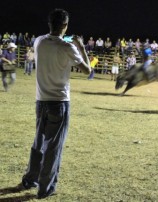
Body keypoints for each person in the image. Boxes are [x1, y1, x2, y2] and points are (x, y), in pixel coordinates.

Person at [21, 9, 91, 199]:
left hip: (41, 100)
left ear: (49, 23)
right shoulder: (68, 47)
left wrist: (68, 40)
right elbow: (87, 70)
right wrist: (81, 46)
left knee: (39, 142)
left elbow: (54, 41)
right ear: (66, 25)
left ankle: (30, 179)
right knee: (53, 146)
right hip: (59, 102)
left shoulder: (39, 41)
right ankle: (46, 187)